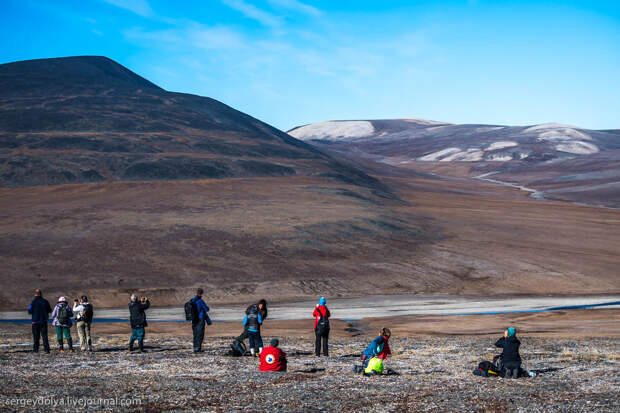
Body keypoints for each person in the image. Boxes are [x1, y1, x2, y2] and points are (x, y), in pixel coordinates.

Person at [28, 289, 52, 353]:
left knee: (36, 336)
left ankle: (36, 349)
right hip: (43, 321)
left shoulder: (33, 302)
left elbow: (29, 311)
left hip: (35, 321)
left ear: (35, 294)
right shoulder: (45, 301)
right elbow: (50, 310)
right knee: (44, 336)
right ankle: (46, 349)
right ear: (41, 294)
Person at [190, 288, 211, 353]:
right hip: (200, 318)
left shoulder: (192, 300)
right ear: (202, 293)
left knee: (195, 334)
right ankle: (198, 348)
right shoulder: (200, 301)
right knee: (200, 334)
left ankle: (195, 347)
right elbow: (206, 309)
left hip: (193, 319)